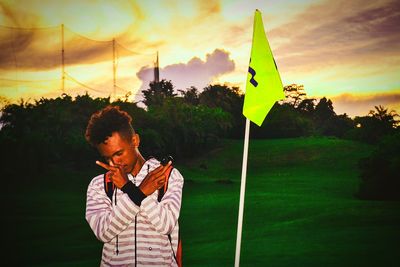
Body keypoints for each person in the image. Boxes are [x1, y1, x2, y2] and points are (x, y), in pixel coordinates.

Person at [85, 105, 184, 266]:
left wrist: (129, 189)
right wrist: (135, 190)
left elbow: (165, 225)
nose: (114, 162)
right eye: (107, 158)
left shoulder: (168, 175)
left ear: (135, 140)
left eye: (119, 153)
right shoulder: (99, 185)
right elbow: (103, 232)